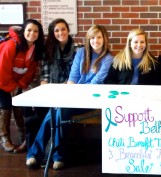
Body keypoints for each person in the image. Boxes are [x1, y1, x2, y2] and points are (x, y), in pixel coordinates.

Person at [26, 24, 113, 170]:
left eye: (99, 37)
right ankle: (57, 156)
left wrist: (76, 94)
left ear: (104, 39)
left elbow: (96, 83)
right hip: (73, 96)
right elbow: (73, 77)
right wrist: (70, 95)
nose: (95, 41)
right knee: (58, 111)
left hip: (92, 99)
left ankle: (36, 154)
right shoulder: (81, 53)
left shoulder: (108, 58)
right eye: (92, 38)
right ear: (88, 39)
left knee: (57, 111)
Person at [22, 18, 78, 154]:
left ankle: (53, 153)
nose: (60, 33)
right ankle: (46, 151)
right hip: (51, 90)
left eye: (63, 29)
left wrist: (62, 87)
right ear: (52, 33)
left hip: (68, 91)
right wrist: (45, 89)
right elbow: (44, 75)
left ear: (68, 30)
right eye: (56, 30)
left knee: (57, 114)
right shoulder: (48, 50)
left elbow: (74, 75)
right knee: (41, 111)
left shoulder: (77, 50)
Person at [0, 19, 44, 153]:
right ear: (23, 31)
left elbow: (30, 71)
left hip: (17, 82)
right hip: (2, 80)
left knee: (21, 105)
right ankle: (4, 138)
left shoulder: (36, 49)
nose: (32, 33)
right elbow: (2, 68)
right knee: (6, 105)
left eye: (36, 31)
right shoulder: (12, 45)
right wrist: (11, 86)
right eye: (29, 30)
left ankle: (23, 136)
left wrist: (19, 85)